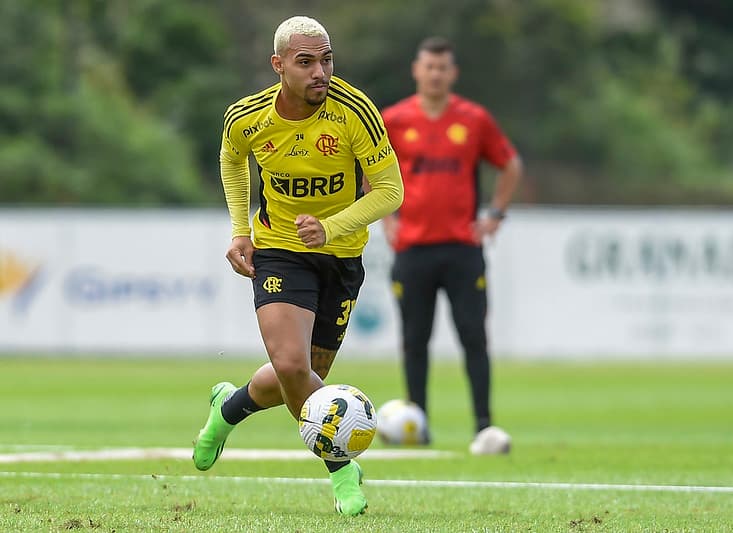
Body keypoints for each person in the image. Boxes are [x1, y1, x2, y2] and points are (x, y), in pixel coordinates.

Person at [192, 15, 403, 516]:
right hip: (281, 250)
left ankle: (228, 409)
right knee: (292, 366)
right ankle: (342, 470)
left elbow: (391, 191)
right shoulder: (247, 117)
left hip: (341, 256)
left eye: (326, 60)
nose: (319, 72)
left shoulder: (355, 112)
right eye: (306, 62)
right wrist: (241, 230)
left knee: (304, 377)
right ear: (278, 65)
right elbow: (231, 157)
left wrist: (331, 228)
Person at [380, 36, 523, 454]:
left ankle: (484, 426)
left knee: (473, 337)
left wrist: (495, 213)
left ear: (453, 73)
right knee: (414, 340)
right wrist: (386, 217)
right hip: (413, 249)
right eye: (429, 66)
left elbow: (510, 163)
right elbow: (369, 170)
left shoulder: (473, 119)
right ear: (417, 70)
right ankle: (417, 424)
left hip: (462, 249)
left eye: (443, 67)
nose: (436, 74)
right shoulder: (395, 119)